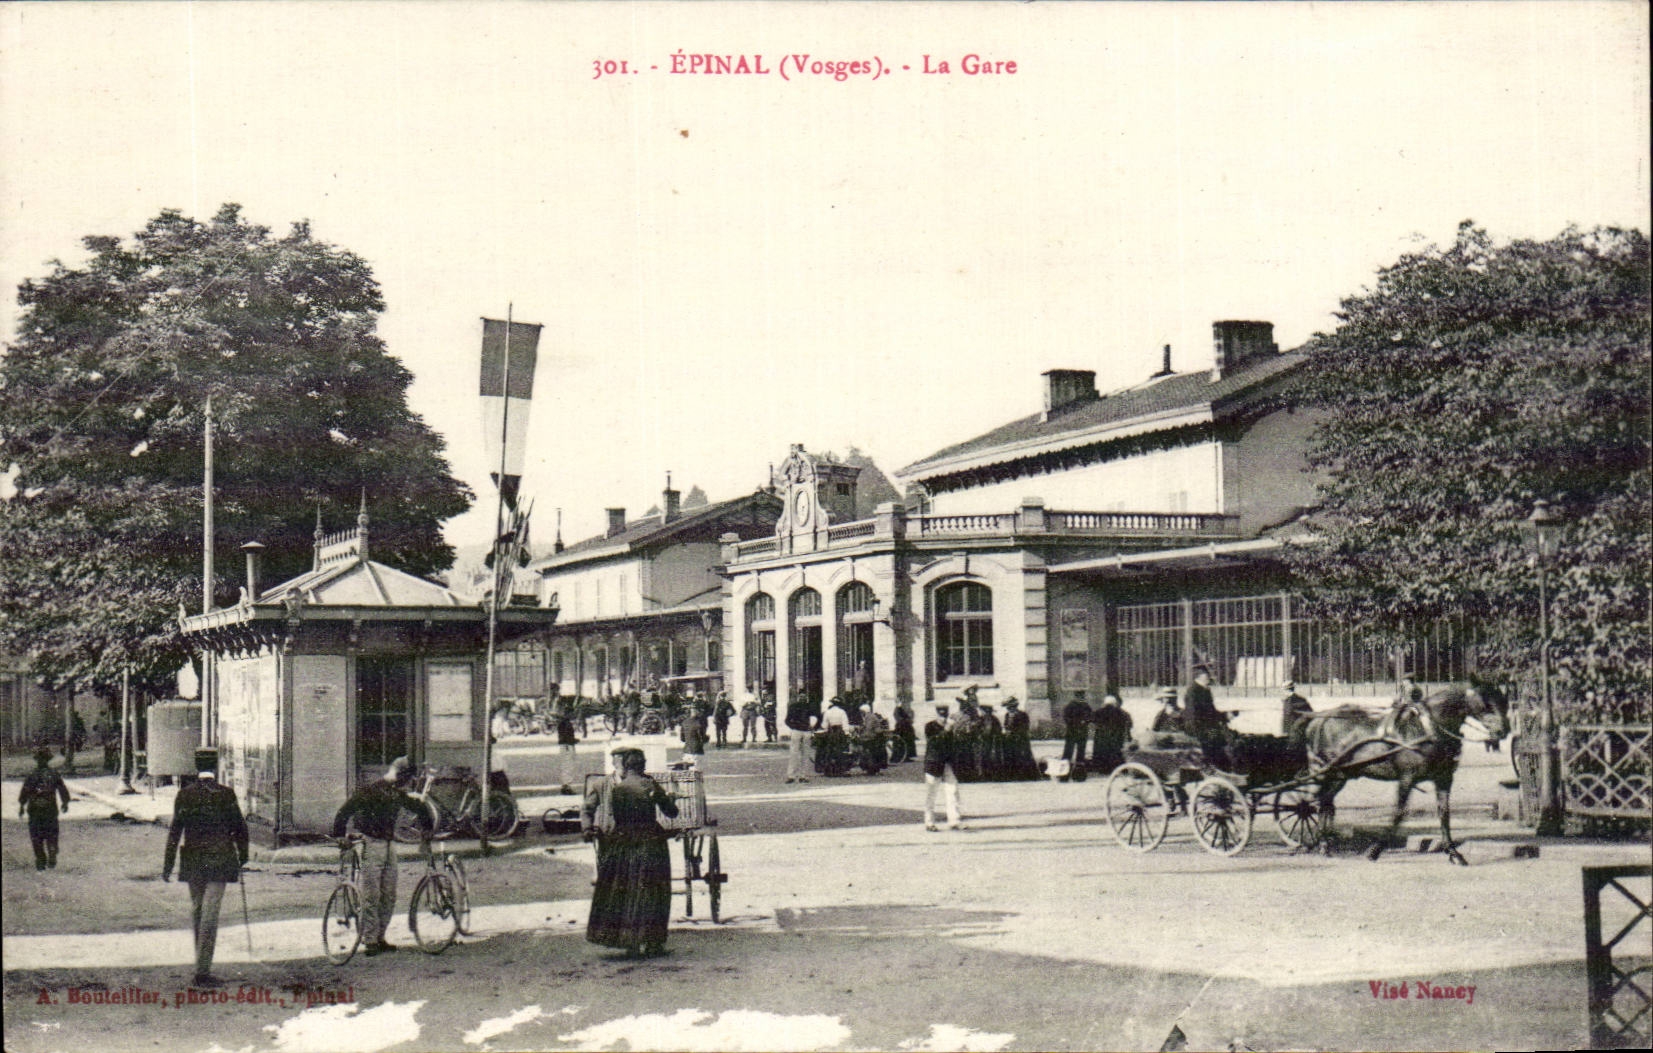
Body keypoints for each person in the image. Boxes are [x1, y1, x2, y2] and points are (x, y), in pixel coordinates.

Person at [162, 749, 249, 987]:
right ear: (216, 765)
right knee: (210, 914)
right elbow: (240, 827)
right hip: (220, 860)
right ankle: (202, 971)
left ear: (195, 765)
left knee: (198, 911)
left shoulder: (185, 795)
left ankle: (201, 965)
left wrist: (168, 864)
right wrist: (243, 855)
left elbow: (175, 831)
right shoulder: (226, 794)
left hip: (194, 861)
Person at [582, 747, 678, 957]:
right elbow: (671, 812)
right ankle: (653, 942)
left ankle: (629, 942)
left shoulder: (619, 789)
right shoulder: (649, 784)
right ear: (643, 765)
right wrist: (671, 799)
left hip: (622, 841)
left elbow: (617, 816)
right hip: (650, 842)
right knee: (654, 891)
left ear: (626, 766)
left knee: (623, 890)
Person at [331, 756, 429, 957]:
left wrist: (427, 830)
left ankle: (380, 936)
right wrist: (339, 835)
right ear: (400, 775)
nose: (406, 784)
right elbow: (344, 811)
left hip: (389, 845)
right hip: (371, 844)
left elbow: (418, 807)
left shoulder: (395, 792)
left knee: (389, 894)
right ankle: (370, 940)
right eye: (406, 779)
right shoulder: (371, 790)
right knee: (372, 895)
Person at [19, 746, 70, 870]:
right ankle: (52, 851)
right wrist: (65, 802)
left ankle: (41, 859)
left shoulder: (32, 775)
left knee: (36, 835)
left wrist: (21, 805)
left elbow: (25, 792)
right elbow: (62, 789)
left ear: (37, 760)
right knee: (52, 833)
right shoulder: (54, 774)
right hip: (50, 808)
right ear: (48, 760)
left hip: (35, 809)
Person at [922, 705, 965, 831]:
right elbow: (934, 742)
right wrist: (946, 730)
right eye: (941, 716)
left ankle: (954, 820)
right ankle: (929, 822)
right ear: (937, 714)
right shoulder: (930, 726)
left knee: (953, 791)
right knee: (931, 793)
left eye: (945, 716)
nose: (943, 718)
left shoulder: (951, 728)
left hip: (948, 763)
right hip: (934, 763)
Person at [1182, 667, 1232, 770]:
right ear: (1198, 677)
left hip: (1207, 728)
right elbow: (1192, 716)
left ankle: (1225, 767)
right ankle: (1218, 768)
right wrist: (1204, 731)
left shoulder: (1205, 690)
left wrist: (1225, 715)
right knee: (1217, 740)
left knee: (1227, 738)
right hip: (1199, 730)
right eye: (1207, 675)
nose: (1209, 677)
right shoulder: (1193, 691)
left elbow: (1211, 712)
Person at [783, 687, 821, 783]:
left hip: (805, 731)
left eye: (804, 696)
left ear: (806, 697)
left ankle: (803, 775)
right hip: (798, 731)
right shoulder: (794, 706)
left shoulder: (809, 706)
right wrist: (794, 727)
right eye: (801, 696)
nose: (803, 698)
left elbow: (818, 717)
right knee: (794, 753)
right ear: (799, 697)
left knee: (805, 753)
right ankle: (792, 775)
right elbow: (787, 720)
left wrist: (813, 727)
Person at [1091, 693, 1134, 776]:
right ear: (1114, 703)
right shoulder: (1121, 712)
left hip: (1101, 738)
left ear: (1105, 703)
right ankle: (1117, 768)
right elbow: (1130, 723)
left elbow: (1091, 720)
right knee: (1116, 753)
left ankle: (1102, 769)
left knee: (1102, 753)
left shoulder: (1099, 712)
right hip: (1116, 737)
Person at [1000, 698, 1040, 780]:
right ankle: (1013, 775)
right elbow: (1006, 725)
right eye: (1008, 707)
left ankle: (1026, 775)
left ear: (1015, 706)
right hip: (1010, 740)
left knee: (1023, 756)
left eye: (1011, 707)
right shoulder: (1007, 715)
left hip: (1021, 739)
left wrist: (1014, 732)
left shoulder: (1022, 715)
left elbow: (1024, 727)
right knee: (1011, 756)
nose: (1009, 709)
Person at [1061, 691, 1093, 774]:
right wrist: (1079, 723)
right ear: (1075, 697)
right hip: (1074, 730)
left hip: (1077, 731)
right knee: (1069, 750)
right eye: (1079, 697)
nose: (1080, 698)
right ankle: (1066, 769)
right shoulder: (1072, 706)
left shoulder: (1085, 706)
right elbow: (1066, 718)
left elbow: (1090, 717)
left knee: (1080, 750)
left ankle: (1078, 770)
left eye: (1081, 697)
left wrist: (1085, 721)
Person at [1280, 681, 1314, 745]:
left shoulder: (1296, 700)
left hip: (1296, 732)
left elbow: (1309, 714)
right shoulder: (1289, 700)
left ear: (1286, 690)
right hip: (1290, 731)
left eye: (1283, 690)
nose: (1282, 692)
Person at [556, 704, 580, 794]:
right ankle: (567, 786)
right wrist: (574, 740)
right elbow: (566, 737)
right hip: (567, 746)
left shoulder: (563, 722)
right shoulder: (566, 723)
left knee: (566, 766)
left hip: (565, 746)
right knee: (568, 766)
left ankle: (565, 785)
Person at [680, 702, 708, 766]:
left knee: (688, 772)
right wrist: (706, 738)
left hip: (686, 750)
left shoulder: (684, 722)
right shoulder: (699, 723)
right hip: (697, 750)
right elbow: (702, 737)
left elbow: (682, 739)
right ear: (697, 711)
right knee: (697, 771)